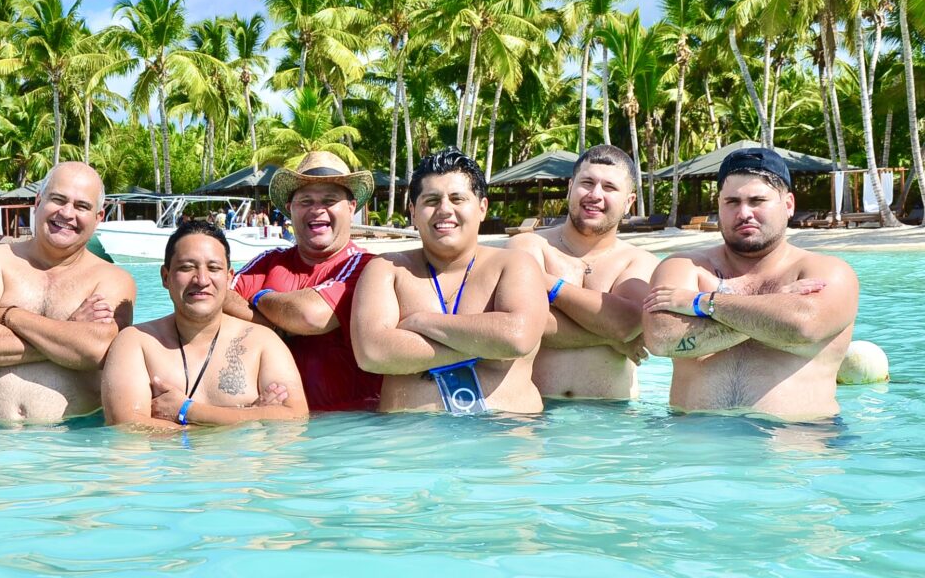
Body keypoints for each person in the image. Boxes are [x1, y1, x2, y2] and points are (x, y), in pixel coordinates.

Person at [643, 147, 859, 420]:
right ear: (719, 205)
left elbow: (803, 327)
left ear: (788, 204)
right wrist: (773, 304)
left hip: (799, 444)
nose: (744, 213)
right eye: (732, 201)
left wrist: (701, 302)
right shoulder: (684, 266)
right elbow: (662, 339)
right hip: (695, 447)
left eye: (757, 200)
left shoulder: (828, 270)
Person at [352, 148, 546, 414]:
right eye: (431, 200)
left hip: (505, 435)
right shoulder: (387, 269)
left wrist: (422, 322)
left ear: (482, 208)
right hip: (413, 443)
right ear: (413, 211)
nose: (444, 209)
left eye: (457, 198)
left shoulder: (514, 264)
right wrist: (488, 344)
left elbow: (517, 338)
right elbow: (372, 353)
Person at [0, 162, 136, 424]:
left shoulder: (113, 278)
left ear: (98, 218)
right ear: (38, 202)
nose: (67, 213)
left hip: (77, 441)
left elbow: (96, 350)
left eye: (82, 206)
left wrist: (11, 316)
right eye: (58, 200)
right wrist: (68, 333)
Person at [102, 221, 308, 428]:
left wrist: (186, 411)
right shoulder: (136, 342)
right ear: (166, 277)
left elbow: (296, 416)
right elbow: (127, 428)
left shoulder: (262, 343)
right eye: (187, 267)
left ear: (229, 278)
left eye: (213, 268)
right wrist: (251, 416)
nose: (201, 280)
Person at [224, 151, 383, 411]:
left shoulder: (366, 267)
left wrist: (258, 298)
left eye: (329, 200)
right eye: (305, 201)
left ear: (351, 207)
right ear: (290, 208)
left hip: (351, 428)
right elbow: (215, 298)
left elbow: (311, 315)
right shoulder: (268, 260)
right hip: (277, 427)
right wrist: (273, 325)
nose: (317, 210)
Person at [508, 145, 659, 400]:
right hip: (536, 416)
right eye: (587, 183)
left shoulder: (639, 261)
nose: (595, 195)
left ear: (628, 202)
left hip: (614, 422)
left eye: (609, 187)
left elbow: (628, 322)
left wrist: (545, 282)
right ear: (570, 188)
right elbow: (525, 323)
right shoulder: (529, 246)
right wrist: (611, 339)